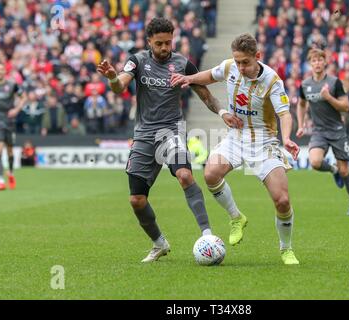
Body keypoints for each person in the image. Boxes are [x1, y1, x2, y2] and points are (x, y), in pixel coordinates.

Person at [97, 17, 242, 263]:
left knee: (185, 175)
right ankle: (159, 243)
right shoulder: (137, 61)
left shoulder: (183, 64)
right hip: (144, 135)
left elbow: (206, 95)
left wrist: (222, 112)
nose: (165, 48)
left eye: (168, 42)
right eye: (159, 44)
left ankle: (207, 235)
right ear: (149, 42)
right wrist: (112, 77)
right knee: (136, 200)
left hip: (171, 131)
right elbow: (120, 86)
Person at [171, 33, 301, 265]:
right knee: (210, 174)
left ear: (257, 57)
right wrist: (188, 78)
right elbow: (210, 76)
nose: (240, 67)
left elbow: (284, 114)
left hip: (264, 142)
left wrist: (288, 138)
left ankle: (286, 248)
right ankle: (236, 218)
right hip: (236, 137)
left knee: (282, 200)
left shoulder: (273, 81)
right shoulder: (230, 67)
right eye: (237, 61)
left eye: (245, 62)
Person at [296, 48, 349, 215]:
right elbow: (301, 104)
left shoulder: (334, 83)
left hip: (338, 131)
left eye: (320, 60)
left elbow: (346, 107)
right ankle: (333, 170)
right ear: (310, 64)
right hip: (319, 131)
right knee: (315, 162)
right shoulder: (305, 85)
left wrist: (328, 97)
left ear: (325, 63)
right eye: (314, 60)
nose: (317, 63)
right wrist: (301, 124)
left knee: (345, 171)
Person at [0, 63, 27, 191]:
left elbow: (23, 97)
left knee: (10, 151)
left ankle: (11, 173)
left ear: (5, 71)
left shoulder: (12, 84)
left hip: (9, 120)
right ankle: (1, 181)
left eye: (1, 69)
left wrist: (17, 109)